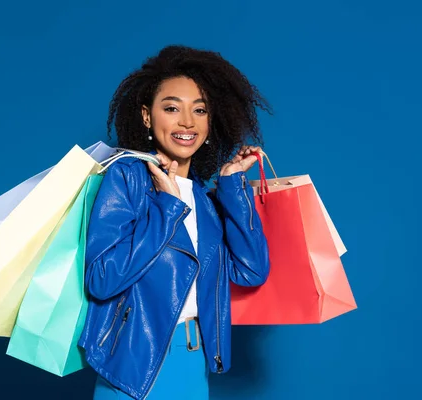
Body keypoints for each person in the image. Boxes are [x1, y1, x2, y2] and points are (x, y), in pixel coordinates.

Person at [77, 45, 271, 400]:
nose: (187, 122)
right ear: (147, 117)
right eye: (171, 108)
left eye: (200, 110)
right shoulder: (128, 178)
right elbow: (102, 279)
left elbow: (251, 271)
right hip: (135, 365)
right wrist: (167, 206)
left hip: (192, 362)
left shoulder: (203, 199)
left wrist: (231, 188)